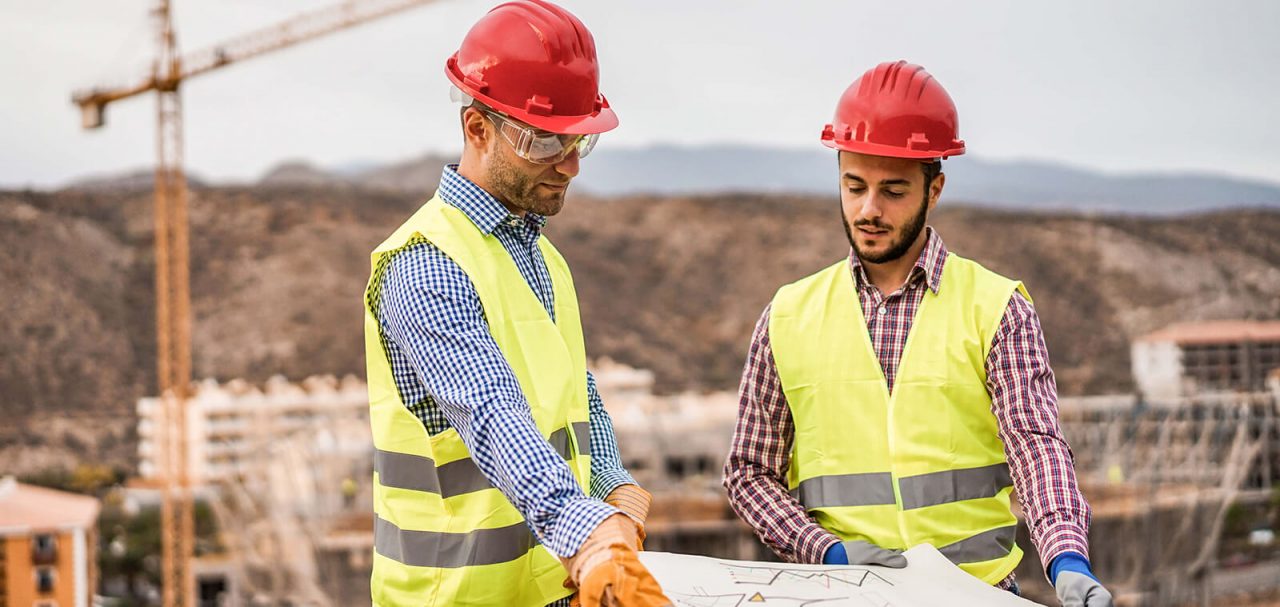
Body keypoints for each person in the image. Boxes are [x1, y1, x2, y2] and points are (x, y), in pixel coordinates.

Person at [722, 60, 1113, 607]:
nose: (869, 209)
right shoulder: (788, 314)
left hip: (976, 596)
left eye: (894, 190)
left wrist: (1067, 559)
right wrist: (824, 551)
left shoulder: (997, 308)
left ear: (935, 189)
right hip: (841, 597)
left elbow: (1036, 447)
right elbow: (749, 473)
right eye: (853, 186)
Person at [362, 2, 670, 605]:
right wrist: (587, 538)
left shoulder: (543, 259)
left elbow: (572, 396)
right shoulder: (425, 264)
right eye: (547, 141)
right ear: (478, 130)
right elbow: (491, 414)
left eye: (580, 140)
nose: (572, 165)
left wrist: (612, 492)